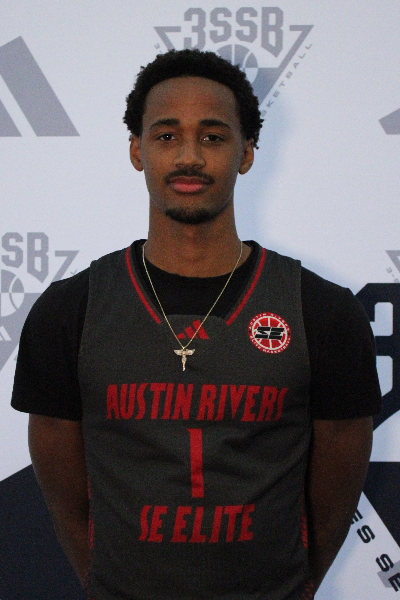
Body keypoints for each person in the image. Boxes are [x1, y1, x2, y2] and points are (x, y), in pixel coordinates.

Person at [12, 49, 381, 600]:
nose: (189, 157)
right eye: (166, 136)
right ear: (136, 150)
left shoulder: (322, 312)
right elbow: (63, 493)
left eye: (212, 136)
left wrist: (295, 587)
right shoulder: (70, 311)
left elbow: (337, 486)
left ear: (247, 152)